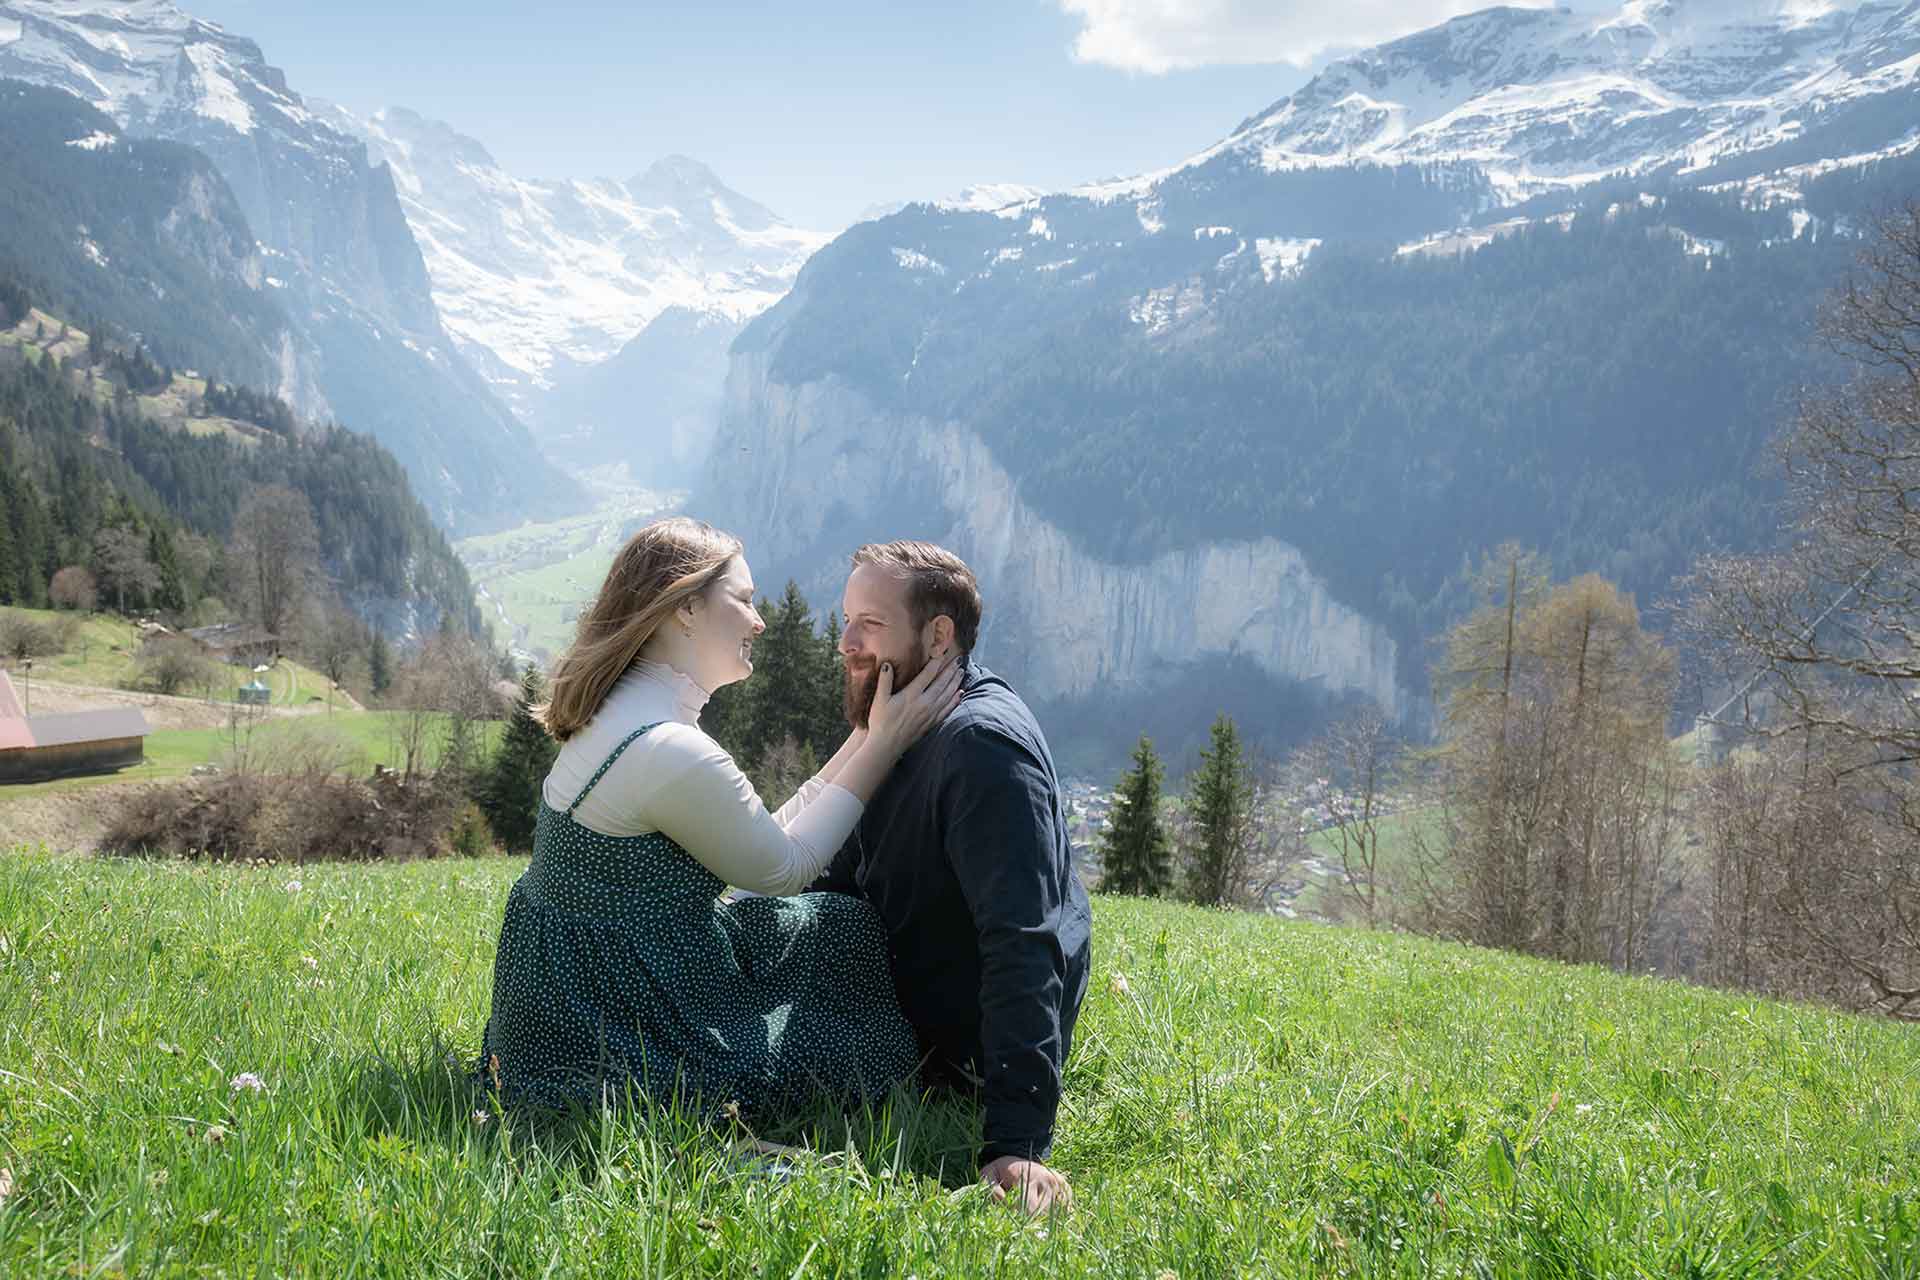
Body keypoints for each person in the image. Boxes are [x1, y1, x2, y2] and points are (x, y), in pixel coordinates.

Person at [477, 517, 963, 1117]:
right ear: (684, 610)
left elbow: (756, 835)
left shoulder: (629, 708)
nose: (759, 621)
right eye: (744, 600)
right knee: (881, 1050)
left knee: (840, 927)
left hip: (589, 976)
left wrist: (865, 734)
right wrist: (884, 749)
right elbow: (785, 869)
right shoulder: (668, 749)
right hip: (617, 1013)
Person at [808, 541, 1093, 1215]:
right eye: (845, 619)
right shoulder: (906, 718)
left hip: (949, 1042)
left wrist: (1016, 1142)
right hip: (900, 981)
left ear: (938, 636)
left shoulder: (981, 748)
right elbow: (845, 870)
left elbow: (1025, 939)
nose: (845, 641)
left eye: (868, 624)